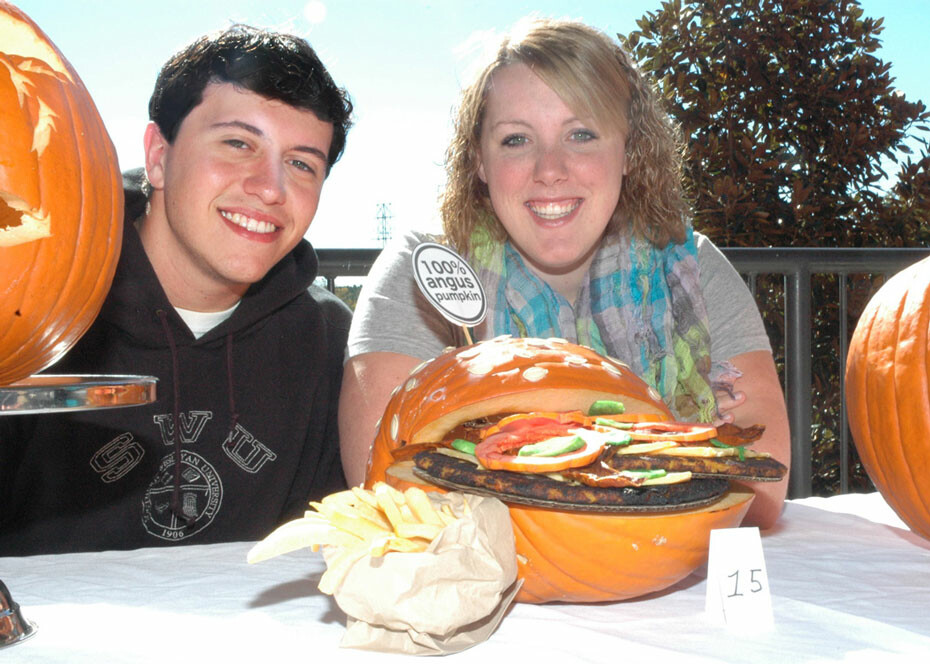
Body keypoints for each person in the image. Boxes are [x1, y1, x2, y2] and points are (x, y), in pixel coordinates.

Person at [339, 18, 790, 529]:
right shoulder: (424, 276)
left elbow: (762, 487)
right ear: (479, 162)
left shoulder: (693, 271)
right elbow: (391, 492)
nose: (550, 169)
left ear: (629, 151)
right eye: (515, 140)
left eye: (581, 134)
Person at [0, 25, 354, 555]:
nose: (270, 188)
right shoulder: (31, 303)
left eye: (302, 163)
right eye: (238, 143)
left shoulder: (326, 340)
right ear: (159, 157)